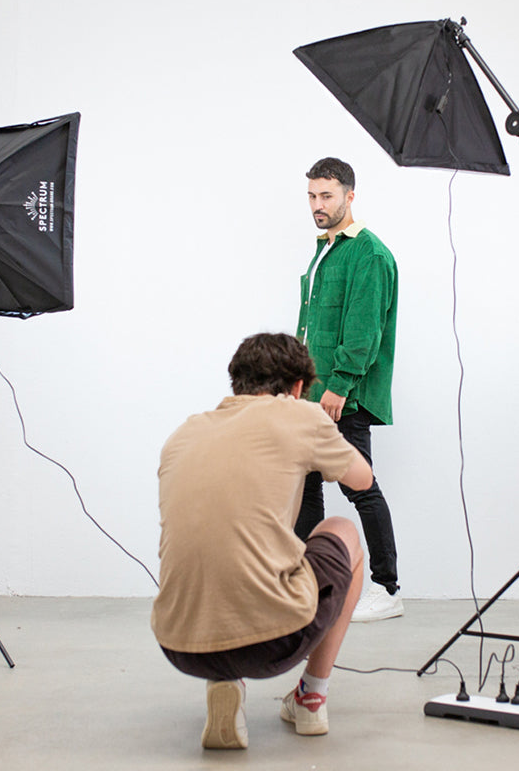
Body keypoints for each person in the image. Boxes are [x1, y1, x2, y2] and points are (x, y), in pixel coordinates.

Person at [152, 333, 371, 750]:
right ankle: (310, 697)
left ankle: (224, 684)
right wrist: (316, 424)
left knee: (232, 548)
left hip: (181, 644)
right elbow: (363, 479)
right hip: (274, 642)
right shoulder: (299, 416)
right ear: (296, 387)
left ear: (238, 383)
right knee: (342, 530)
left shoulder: (184, 433)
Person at [295, 157, 402, 622]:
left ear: (349, 196)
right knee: (304, 484)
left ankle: (386, 588)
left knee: (361, 487)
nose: (318, 205)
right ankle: (314, 580)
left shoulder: (369, 254)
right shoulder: (325, 251)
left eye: (327, 196)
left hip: (343, 398)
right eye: (313, 197)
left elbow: (363, 333)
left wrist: (338, 386)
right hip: (308, 393)